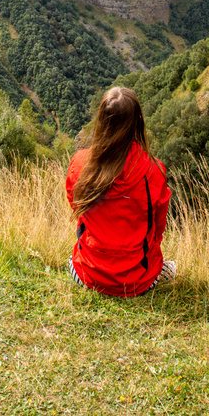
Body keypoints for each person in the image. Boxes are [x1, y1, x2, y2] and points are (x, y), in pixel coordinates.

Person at [65, 85, 176, 297]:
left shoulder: (80, 164)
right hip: (138, 281)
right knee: (170, 267)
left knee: (74, 253)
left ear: (101, 121)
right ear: (137, 123)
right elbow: (158, 229)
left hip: (86, 274)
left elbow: (75, 204)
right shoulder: (154, 171)